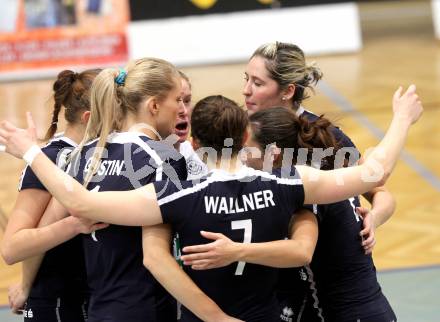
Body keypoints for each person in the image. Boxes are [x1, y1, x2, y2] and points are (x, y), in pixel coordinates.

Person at [0, 85, 422, 321]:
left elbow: (82, 202)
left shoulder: (176, 193)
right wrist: (401, 117)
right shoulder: (288, 182)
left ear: (193, 143)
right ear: (243, 138)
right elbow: (375, 172)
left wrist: (32, 152)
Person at [182, 107, 397, 322]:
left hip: (352, 314)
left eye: (246, 149)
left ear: (272, 155)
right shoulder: (317, 174)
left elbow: (302, 251)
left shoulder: (303, 191)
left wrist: (234, 251)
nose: (240, 156)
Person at [1, 69, 105, 322]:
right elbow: (15, 246)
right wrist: (26, 284)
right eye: (117, 108)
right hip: (57, 302)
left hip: (90, 296)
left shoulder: (95, 153)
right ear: (89, 117)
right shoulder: (51, 157)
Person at [174, 71, 207, 180]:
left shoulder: (198, 156)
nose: (183, 111)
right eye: (175, 102)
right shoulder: (139, 159)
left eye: (187, 101)